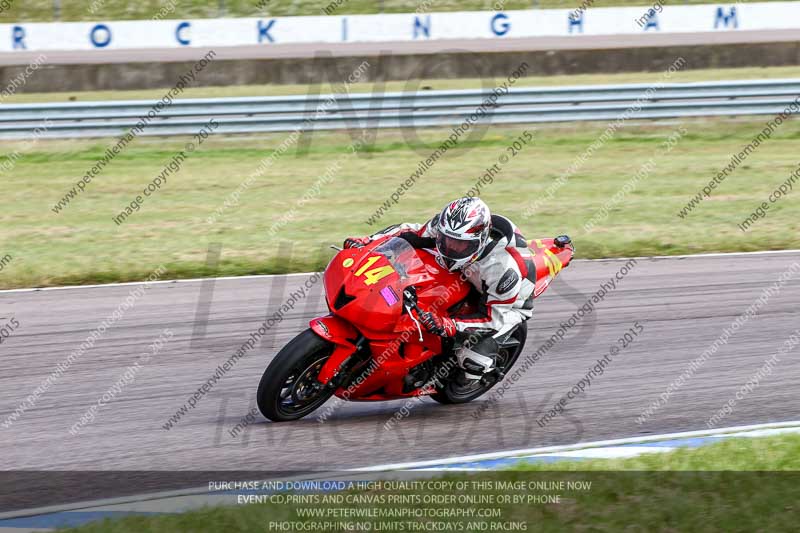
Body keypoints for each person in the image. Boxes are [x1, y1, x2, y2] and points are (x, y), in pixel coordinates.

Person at [344, 197, 540, 383]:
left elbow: (493, 319)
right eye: (446, 240)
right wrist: (369, 241)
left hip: (506, 304)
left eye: (460, 244)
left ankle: (471, 372)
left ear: (478, 242)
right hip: (467, 274)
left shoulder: (502, 269)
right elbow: (408, 232)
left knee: (472, 361)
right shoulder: (444, 227)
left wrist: (449, 325)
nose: (451, 247)